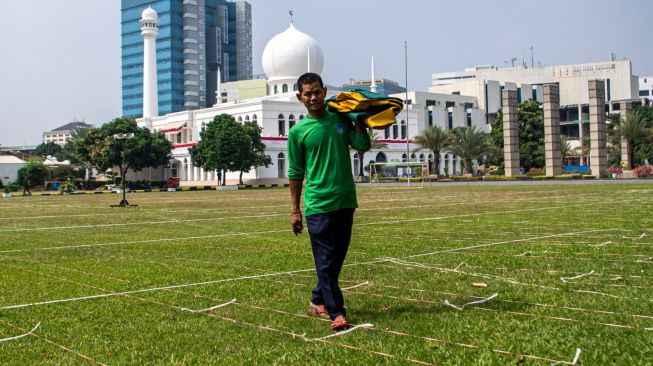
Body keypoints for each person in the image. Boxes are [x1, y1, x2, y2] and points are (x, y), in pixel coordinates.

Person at [288, 72, 371, 331]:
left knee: (336, 258)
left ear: (324, 91)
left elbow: (361, 145)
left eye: (316, 92)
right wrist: (295, 210)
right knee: (325, 260)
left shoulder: (340, 118)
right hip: (318, 204)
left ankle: (316, 299)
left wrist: (358, 120)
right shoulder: (298, 132)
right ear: (299, 97)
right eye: (307, 93)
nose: (313, 97)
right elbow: (295, 173)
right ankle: (337, 312)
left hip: (345, 200)